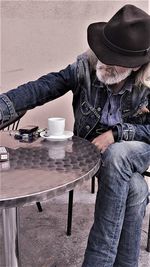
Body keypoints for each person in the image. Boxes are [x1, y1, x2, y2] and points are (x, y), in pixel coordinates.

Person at [0, 4, 150, 267]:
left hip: (136, 147)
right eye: (105, 52)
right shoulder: (85, 66)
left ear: (137, 66)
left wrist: (117, 134)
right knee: (136, 189)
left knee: (118, 154)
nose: (105, 62)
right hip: (95, 154)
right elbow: (42, 87)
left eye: (116, 59)